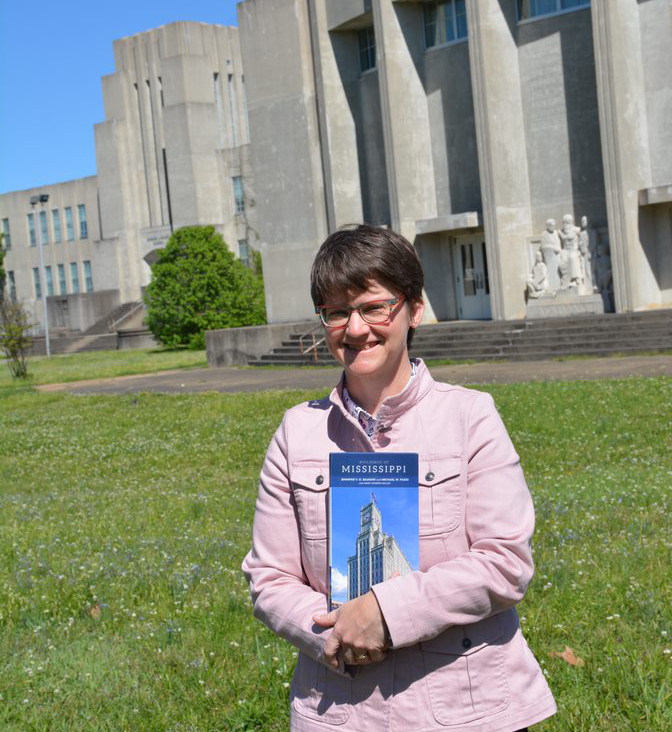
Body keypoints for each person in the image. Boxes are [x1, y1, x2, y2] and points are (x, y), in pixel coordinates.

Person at [242, 225, 556, 731]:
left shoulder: (470, 417)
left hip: (466, 710)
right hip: (341, 712)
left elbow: (505, 562)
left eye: (373, 306)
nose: (356, 328)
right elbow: (269, 578)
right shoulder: (297, 433)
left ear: (414, 309)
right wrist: (333, 632)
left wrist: (386, 614)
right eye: (337, 312)